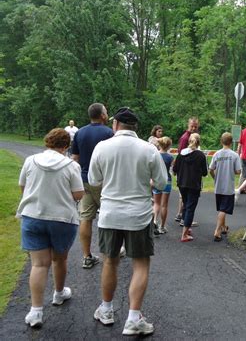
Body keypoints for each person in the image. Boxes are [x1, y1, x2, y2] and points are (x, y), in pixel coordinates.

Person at [88, 107, 167, 336]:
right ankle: (133, 318)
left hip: (110, 213)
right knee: (140, 264)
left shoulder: (102, 147)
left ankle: (106, 309)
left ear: (115, 125)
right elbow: (162, 183)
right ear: (136, 127)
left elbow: (93, 179)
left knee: (110, 262)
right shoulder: (148, 149)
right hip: (139, 216)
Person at [17, 128, 84, 328]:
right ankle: (59, 293)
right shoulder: (71, 165)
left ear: (48, 142)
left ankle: (36, 311)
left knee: (38, 265)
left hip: (33, 216)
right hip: (62, 219)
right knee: (59, 258)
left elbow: (23, 186)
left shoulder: (31, 160)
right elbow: (79, 193)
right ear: (65, 146)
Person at [71, 103, 114, 269]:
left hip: (84, 180)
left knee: (86, 218)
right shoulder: (109, 133)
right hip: (104, 181)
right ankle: (110, 252)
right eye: (106, 111)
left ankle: (86, 256)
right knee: (109, 215)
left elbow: (74, 158)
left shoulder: (80, 132)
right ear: (102, 115)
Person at [173, 133, 208, 242]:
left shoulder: (181, 154)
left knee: (186, 204)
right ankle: (184, 234)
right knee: (190, 208)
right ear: (199, 143)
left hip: (182, 183)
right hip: (194, 185)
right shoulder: (201, 156)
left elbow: (175, 169)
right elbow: (204, 173)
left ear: (189, 141)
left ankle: (186, 228)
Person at [209, 132, 241, 241]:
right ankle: (217, 231)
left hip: (218, 186)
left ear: (221, 141)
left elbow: (211, 169)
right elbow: (238, 171)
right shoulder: (234, 155)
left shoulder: (216, 154)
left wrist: (215, 178)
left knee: (222, 208)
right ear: (231, 142)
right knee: (223, 209)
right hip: (228, 186)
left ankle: (223, 227)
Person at [175, 117, 200, 223]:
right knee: (185, 197)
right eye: (192, 126)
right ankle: (182, 216)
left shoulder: (193, 137)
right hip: (185, 172)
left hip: (188, 172)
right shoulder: (185, 138)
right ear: (188, 125)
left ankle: (183, 216)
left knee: (186, 197)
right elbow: (180, 154)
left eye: (195, 126)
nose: (194, 128)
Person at [152, 136, 174, 235]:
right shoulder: (170, 157)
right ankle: (162, 226)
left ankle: (154, 221)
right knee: (164, 205)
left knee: (156, 203)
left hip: (157, 180)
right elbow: (173, 170)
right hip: (167, 181)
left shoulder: (155, 155)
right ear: (169, 146)